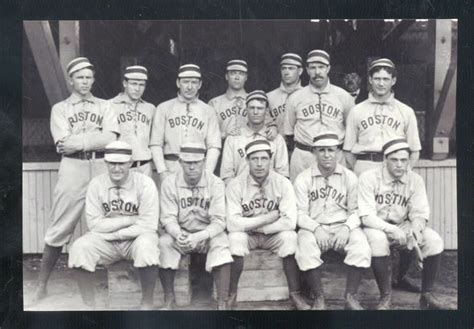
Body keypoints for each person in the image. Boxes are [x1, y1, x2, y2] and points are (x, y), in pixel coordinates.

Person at [31, 57, 119, 304]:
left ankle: (116, 282)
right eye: (80, 77)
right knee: (60, 226)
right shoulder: (60, 108)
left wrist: (79, 140)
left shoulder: (105, 105)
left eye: (89, 77)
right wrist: (94, 137)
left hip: (101, 165)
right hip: (73, 168)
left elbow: (111, 138)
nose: (85, 82)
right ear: (71, 80)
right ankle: (41, 285)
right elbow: (62, 145)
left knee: (111, 218)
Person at [68, 141, 160, 309]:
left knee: (147, 246)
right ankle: (89, 305)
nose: (117, 168)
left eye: (122, 163)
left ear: (130, 163)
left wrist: (116, 233)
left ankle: (147, 303)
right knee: (79, 248)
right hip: (106, 241)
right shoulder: (96, 184)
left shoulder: (145, 183)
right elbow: (94, 224)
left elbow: (149, 225)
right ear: (106, 162)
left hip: (135, 239)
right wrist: (131, 220)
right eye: (112, 163)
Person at [358, 138, 445, 310]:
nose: (399, 165)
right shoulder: (368, 177)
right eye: (394, 160)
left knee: (434, 241)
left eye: (404, 160)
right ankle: (385, 296)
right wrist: (392, 229)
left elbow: (420, 213)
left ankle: (426, 295)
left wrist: (415, 229)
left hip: (403, 225)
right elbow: (366, 216)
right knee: (378, 241)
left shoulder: (415, 180)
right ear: (385, 160)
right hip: (375, 226)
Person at [225, 139, 309, 310]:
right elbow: (232, 223)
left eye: (264, 159)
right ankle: (231, 294)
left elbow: (290, 221)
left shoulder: (283, 183)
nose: (259, 164)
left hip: (271, 234)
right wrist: (265, 219)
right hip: (248, 235)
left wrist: (262, 227)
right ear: (247, 160)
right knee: (234, 239)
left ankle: (295, 293)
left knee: (290, 238)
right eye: (254, 159)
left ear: (271, 160)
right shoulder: (235, 185)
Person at [294, 132, 371, 310]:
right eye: (322, 150)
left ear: (338, 152)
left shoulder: (350, 177)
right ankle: (319, 297)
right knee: (305, 249)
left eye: (331, 150)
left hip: (342, 226)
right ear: (314, 152)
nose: (327, 154)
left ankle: (350, 296)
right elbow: (299, 214)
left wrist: (346, 228)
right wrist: (316, 228)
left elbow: (357, 211)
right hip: (313, 227)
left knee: (361, 247)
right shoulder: (303, 179)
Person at [158, 143, 233, 310]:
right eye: (187, 162)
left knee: (221, 243)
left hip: (207, 234)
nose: (192, 167)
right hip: (181, 235)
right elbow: (168, 218)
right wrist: (179, 235)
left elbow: (219, 221)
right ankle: (169, 298)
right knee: (163, 243)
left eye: (196, 162)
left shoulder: (215, 183)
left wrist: (199, 236)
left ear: (204, 161)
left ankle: (222, 301)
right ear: (180, 162)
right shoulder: (169, 183)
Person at [283, 49, 355, 181]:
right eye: (313, 68)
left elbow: (351, 130)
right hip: (304, 156)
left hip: (335, 156)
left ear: (328, 68)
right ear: (307, 69)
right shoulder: (295, 98)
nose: (317, 72)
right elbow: (288, 133)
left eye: (321, 67)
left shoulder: (344, 97)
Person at [343, 58, 422, 176]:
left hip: (394, 168)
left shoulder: (406, 111)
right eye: (377, 79)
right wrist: (359, 169)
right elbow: (348, 150)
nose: (381, 83)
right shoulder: (357, 111)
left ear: (393, 80)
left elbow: (415, 151)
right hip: (365, 166)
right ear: (370, 80)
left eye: (386, 79)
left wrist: (403, 171)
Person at [150, 64, 221, 183]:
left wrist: (207, 172)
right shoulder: (164, 108)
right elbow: (155, 144)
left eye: (194, 82)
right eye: (185, 82)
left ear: (200, 84)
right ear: (178, 83)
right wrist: (162, 171)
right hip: (171, 166)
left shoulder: (208, 110)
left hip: (198, 168)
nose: (189, 87)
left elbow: (214, 145)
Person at [220, 90, 289, 185]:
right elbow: (226, 175)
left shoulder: (277, 139)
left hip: (270, 194)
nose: (255, 112)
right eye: (252, 108)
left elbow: (283, 175)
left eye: (260, 108)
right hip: (240, 193)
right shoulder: (233, 138)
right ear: (246, 109)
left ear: (266, 110)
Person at [109, 65, 155, 176]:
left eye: (141, 85)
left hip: (145, 167)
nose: (137, 89)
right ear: (125, 83)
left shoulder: (150, 108)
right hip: (120, 166)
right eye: (133, 84)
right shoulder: (110, 105)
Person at [267, 53, 304, 136]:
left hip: (300, 146)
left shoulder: (307, 95)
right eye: (284, 68)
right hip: (277, 145)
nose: (286, 72)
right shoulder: (269, 97)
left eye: (291, 68)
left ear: (300, 71)